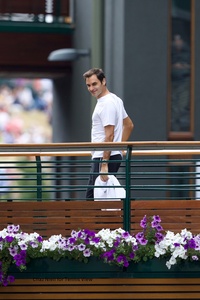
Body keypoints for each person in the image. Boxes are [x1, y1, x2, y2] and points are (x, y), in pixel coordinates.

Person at [83, 68, 134, 199]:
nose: (91, 88)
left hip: (104, 157)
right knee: (104, 198)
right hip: (110, 155)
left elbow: (109, 135)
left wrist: (104, 163)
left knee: (92, 199)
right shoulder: (115, 99)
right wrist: (120, 147)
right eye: (88, 85)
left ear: (103, 81)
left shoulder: (106, 103)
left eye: (94, 84)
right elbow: (129, 125)